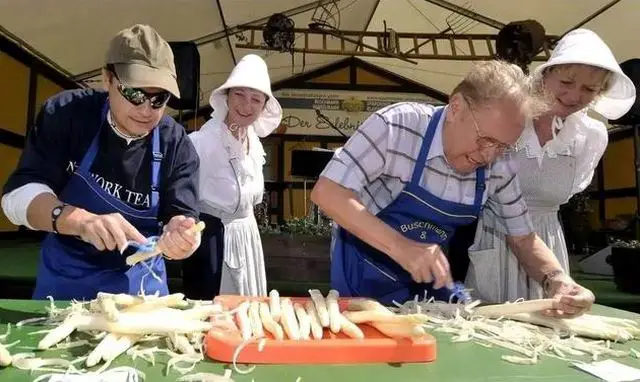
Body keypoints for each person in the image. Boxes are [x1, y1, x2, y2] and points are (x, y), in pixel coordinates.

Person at [311, 59, 596, 317]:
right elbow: (328, 192)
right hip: (363, 273)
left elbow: (522, 238)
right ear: (456, 106)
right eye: (485, 139)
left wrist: (557, 279)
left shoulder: (501, 162)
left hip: (430, 283)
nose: (489, 155)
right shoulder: (398, 126)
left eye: (503, 146)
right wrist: (402, 247)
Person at [1, 24, 202, 300]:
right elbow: (16, 200)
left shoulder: (176, 143)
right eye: (134, 93)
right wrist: (80, 221)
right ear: (107, 79)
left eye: (159, 99)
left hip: (142, 294)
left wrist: (183, 238)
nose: (146, 110)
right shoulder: (67, 114)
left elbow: (182, 216)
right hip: (66, 286)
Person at [466, 29, 636, 303]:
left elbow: (568, 192)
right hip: (495, 238)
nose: (574, 95)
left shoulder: (591, 135)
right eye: (567, 82)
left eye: (589, 89)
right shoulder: (510, 118)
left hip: (548, 241)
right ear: (546, 75)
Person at [184, 54, 282, 298]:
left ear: (263, 106)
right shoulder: (201, 142)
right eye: (239, 95)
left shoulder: (255, 144)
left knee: (248, 308)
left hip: (247, 235)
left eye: (255, 99)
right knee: (212, 306)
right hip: (212, 236)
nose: (246, 106)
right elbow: (182, 195)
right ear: (227, 96)